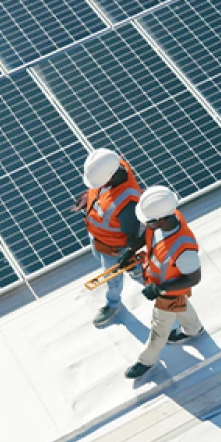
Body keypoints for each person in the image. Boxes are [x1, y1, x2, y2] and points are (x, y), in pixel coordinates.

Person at [119, 185, 205, 379]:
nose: (146, 224)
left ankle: (146, 361)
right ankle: (193, 329)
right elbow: (149, 236)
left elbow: (194, 278)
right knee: (181, 306)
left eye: (148, 221)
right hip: (161, 283)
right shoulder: (164, 221)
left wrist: (160, 289)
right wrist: (131, 252)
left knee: (159, 328)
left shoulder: (184, 249)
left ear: (161, 219)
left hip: (167, 291)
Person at [72, 148, 142, 327]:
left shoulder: (128, 204)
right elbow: (100, 193)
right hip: (98, 238)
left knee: (112, 278)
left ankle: (113, 304)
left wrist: (126, 255)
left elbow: (133, 236)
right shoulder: (109, 165)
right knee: (99, 256)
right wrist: (87, 198)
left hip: (114, 249)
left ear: (110, 176)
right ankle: (136, 268)